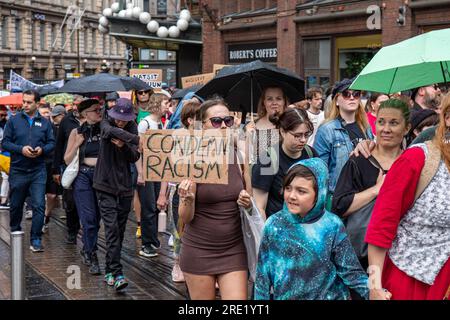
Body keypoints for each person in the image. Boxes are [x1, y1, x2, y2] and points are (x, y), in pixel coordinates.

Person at [366, 93, 450, 300]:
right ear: (447, 117)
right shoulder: (417, 159)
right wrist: (374, 286)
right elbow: (381, 227)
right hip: (411, 281)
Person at [254, 158, 369, 300]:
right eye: (288, 188)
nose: (291, 196)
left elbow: (351, 271)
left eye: (301, 191)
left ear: (319, 194)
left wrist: (374, 292)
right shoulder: (273, 225)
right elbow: (262, 276)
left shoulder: (332, 225)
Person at [178, 98, 252, 300]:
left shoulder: (240, 156)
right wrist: (188, 198)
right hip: (199, 250)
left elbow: (252, 204)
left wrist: (248, 203)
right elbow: (184, 218)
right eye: (216, 121)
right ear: (203, 125)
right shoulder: (192, 158)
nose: (224, 126)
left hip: (234, 249)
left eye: (228, 120)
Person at [332, 99, 410, 271]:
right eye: (381, 122)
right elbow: (339, 206)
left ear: (407, 128)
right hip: (361, 258)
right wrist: (376, 190)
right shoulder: (359, 160)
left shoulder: (411, 163)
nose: (386, 129)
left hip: (400, 257)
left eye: (394, 123)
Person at [93, 98, 140, 292]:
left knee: (119, 231)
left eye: (124, 120)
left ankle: (110, 269)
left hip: (125, 186)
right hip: (104, 184)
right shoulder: (106, 121)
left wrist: (125, 145)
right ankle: (117, 272)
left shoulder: (133, 126)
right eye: (118, 118)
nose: (121, 122)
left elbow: (135, 156)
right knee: (111, 228)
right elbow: (108, 131)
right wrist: (135, 139)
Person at [2, 90, 55, 252]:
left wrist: (42, 149)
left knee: (39, 205)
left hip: (38, 169)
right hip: (18, 169)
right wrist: (21, 149)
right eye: (24, 101)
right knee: (16, 205)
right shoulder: (14, 121)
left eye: (28, 102)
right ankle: (15, 231)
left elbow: (52, 143)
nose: (24, 105)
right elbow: (5, 143)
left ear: (37, 104)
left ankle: (36, 239)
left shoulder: (45, 123)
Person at [313, 78, 374, 207]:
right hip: (339, 197)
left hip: (364, 195)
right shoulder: (327, 130)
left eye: (356, 94)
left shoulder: (365, 126)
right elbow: (320, 172)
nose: (352, 97)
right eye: (346, 94)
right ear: (336, 101)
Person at [251, 108, 317, 219]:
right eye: (297, 135)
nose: (303, 140)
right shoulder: (267, 160)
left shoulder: (311, 154)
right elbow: (259, 207)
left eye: (307, 134)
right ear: (282, 131)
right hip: (279, 227)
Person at [64, 99, 102, 275]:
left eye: (100, 109)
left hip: (102, 177)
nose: (99, 112)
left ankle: (87, 247)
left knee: (98, 218)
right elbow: (67, 159)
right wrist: (78, 143)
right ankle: (91, 253)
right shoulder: (76, 131)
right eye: (95, 110)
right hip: (83, 176)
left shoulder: (105, 129)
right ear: (85, 114)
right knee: (88, 218)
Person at [136, 94, 165, 257]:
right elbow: (138, 151)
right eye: (165, 103)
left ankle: (153, 239)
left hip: (157, 169)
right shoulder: (145, 123)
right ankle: (147, 243)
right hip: (146, 169)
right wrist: (140, 173)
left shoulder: (160, 123)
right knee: (148, 207)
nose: (167, 106)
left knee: (155, 206)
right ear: (157, 105)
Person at [52, 99, 82, 244]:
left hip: (86, 166)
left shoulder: (95, 120)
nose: (77, 107)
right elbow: (58, 145)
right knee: (70, 201)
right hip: (69, 165)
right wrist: (55, 169)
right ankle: (72, 230)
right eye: (75, 104)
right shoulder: (67, 121)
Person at [247, 87, 289, 164]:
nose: (274, 102)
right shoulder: (252, 125)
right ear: (264, 102)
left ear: (284, 101)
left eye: (278, 98)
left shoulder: (290, 123)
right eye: (270, 99)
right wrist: (247, 137)